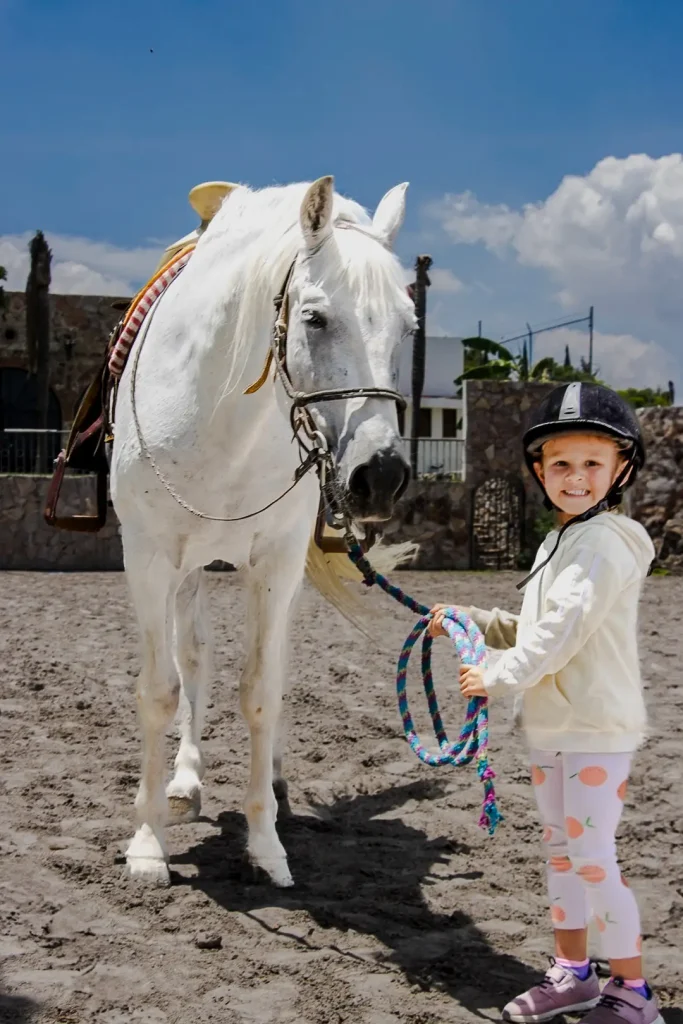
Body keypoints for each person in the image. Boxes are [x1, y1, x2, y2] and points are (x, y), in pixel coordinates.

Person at [429, 382, 663, 1024]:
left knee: (592, 858)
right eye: (561, 463)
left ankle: (633, 993)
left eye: (592, 462)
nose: (576, 476)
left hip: (593, 728)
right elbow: (538, 623)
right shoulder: (559, 541)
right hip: (551, 726)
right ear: (540, 470)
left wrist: (497, 674)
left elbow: (562, 631)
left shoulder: (608, 542)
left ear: (621, 468)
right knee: (562, 854)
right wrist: (474, 619)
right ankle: (575, 973)